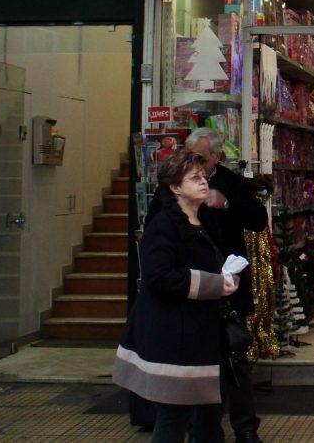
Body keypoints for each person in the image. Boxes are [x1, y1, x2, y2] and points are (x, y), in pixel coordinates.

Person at [114, 149, 239, 443]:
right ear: (174, 187)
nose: (203, 182)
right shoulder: (163, 226)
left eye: (204, 177)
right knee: (175, 416)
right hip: (175, 337)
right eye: (194, 178)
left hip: (202, 334)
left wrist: (227, 277)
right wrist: (213, 285)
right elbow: (159, 278)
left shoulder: (206, 222)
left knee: (209, 415)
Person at [186, 127, 269, 443]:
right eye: (190, 157)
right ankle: (204, 429)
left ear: (217, 157)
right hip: (194, 285)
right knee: (198, 362)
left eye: (201, 159)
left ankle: (246, 427)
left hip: (230, 286)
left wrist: (227, 204)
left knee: (237, 360)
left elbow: (258, 220)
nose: (195, 164)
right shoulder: (179, 183)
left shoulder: (233, 183)